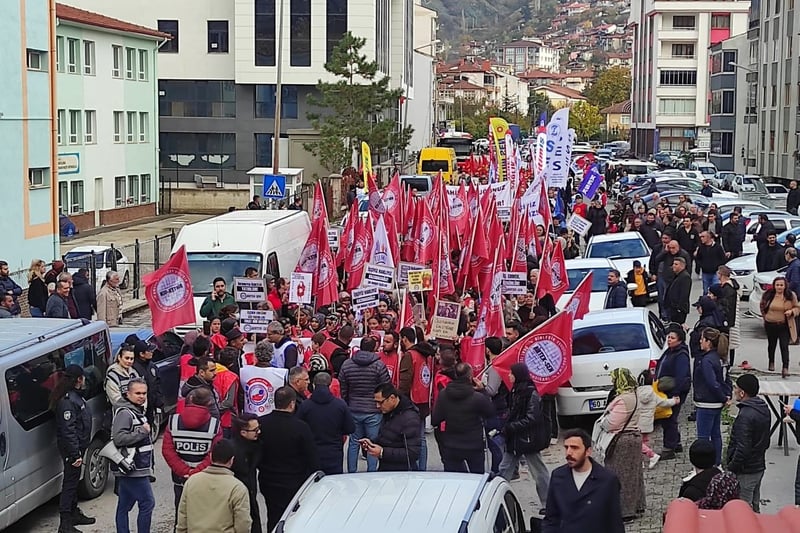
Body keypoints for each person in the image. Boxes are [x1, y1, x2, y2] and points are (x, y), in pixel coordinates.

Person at [258, 386, 319, 532]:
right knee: (294, 518)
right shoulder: (301, 427)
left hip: (268, 480)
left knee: (272, 515)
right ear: (292, 404)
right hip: (294, 481)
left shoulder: (261, 424)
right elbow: (312, 457)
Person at [542, 428, 624, 533]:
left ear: (588, 451)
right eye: (566, 447)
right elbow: (551, 518)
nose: (569, 453)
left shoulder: (607, 480)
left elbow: (614, 521)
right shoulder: (558, 476)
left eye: (575, 448)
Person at [162, 387, 222, 523]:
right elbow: (215, 453)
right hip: (205, 477)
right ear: (209, 404)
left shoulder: (173, 421)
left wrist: (185, 471)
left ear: (190, 400)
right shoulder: (214, 425)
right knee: (205, 514)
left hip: (180, 478)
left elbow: (167, 450)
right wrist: (197, 472)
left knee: (181, 511)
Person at [593, 368, 645, 521]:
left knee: (620, 476)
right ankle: (638, 505)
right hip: (633, 438)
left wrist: (603, 420)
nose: (612, 382)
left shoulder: (624, 399)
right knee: (634, 474)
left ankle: (624, 512)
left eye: (614, 379)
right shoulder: (635, 394)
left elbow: (611, 423)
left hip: (623, 441)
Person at [499, 364, 551, 509]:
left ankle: (548, 504)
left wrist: (511, 427)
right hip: (515, 439)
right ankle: (496, 500)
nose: (509, 376)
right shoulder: (515, 391)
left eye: (511, 373)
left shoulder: (531, 393)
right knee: (504, 469)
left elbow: (532, 418)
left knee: (539, 472)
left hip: (528, 439)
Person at [51, 365, 95, 533]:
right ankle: (65, 522)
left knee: (74, 480)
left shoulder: (75, 397)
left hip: (77, 447)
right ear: (79, 379)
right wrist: (75, 453)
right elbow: (68, 430)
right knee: (69, 483)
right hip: (72, 450)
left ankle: (74, 512)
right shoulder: (68, 402)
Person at [337, 336, 390, 472]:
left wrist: (347, 403)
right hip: (374, 409)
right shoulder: (379, 365)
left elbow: (343, 386)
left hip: (354, 408)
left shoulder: (347, 364)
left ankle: (351, 472)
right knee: (372, 442)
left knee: (354, 442)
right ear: (374, 348)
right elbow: (386, 387)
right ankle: (371, 472)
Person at [177, 439, 252, 533]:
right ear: (232, 460)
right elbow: (243, 524)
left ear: (211, 456)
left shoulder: (192, 481)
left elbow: (182, 518)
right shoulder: (237, 488)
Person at [431, 362, 494, 473]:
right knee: (476, 480)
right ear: (470, 377)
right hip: (473, 445)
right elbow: (490, 412)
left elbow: (435, 420)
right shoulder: (477, 397)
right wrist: (483, 391)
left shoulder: (443, 394)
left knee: (455, 481)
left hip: (451, 445)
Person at [111, 379, 155, 533]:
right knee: (147, 502)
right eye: (137, 393)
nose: (141, 396)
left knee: (124, 505)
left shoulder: (135, 410)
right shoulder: (125, 413)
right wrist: (142, 431)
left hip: (133, 467)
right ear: (127, 394)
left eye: (144, 393)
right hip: (133, 468)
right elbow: (119, 438)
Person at [726, 374, 770, 512]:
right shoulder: (763, 408)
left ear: (742, 392)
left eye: (736, 388)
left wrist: (732, 467)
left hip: (746, 470)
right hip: (758, 466)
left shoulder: (745, 416)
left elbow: (743, 448)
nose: (734, 391)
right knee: (755, 507)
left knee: (743, 511)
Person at [297, 372, 355, 474]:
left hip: (311, 452)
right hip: (334, 451)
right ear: (330, 384)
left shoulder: (305, 405)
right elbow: (350, 428)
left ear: (314, 385)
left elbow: (298, 428)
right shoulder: (340, 405)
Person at [693, 328, 731, 466]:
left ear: (708, 342)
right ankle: (717, 463)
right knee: (716, 435)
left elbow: (712, 382)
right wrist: (726, 395)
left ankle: (704, 466)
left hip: (706, 403)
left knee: (703, 437)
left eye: (702, 339)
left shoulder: (707, 360)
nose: (700, 341)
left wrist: (722, 397)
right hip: (716, 403)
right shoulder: (721, 358)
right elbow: (726, 379)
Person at [362, 383, 421, 471]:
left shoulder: (409, 418)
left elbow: (412, 453)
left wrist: (382, 452)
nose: (377, 406)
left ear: (392, 398)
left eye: (380, 402)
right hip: (386, 469)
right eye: (376, 402)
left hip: (402, 475)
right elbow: (388, 437)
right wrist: (371, 444)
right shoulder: (389, 412)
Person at [398, 327, 432, 471]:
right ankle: (422, 468)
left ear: (404, 338)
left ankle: (415, 469)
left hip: (412, 401)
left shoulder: (410, 355)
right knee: (422, 438)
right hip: (423, 399)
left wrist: (399, 398)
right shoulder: (426, 354)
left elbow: (405, 381)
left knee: (411, 439)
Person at [655, 328, 692, 460]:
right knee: (669, 418)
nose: (669, 340)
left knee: (669, 418)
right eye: (668, 337)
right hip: (666, 389)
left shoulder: (681, 354)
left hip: (675, 391)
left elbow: (682, 376)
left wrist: (676, 393)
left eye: (672, 338)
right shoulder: (669, 351)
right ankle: (676, 442)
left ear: (680, 340)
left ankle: (668, 448)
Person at [636, 371, 679, 469]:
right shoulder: (653, 394)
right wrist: (674, 401)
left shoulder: (636, 393)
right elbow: (664, 403)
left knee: (638, 443)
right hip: (648, 424)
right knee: (644, 441)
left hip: (638, 423)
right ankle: (640, 461)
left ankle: (652, 455)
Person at [759, 276, 800, 377]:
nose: (779, 287)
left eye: (781, 285)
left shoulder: (791, 295)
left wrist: (791, 312)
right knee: (771, 345)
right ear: (774, 286)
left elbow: (797, 308)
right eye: (777, 285)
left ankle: (785, 367)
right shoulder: (768, 295)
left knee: (784, 346)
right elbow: (762, 306)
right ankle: (771, 362)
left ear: (785, 286)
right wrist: (765, 317)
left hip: (784, 325)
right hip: (770, 325)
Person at [231, 414, 263, 533]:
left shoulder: (257, 445)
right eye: (255, 430)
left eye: (258, 428)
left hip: (251, 493)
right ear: (243, 433)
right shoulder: (233, 449)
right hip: (238, 496)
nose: (258, 432)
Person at [129, 338, 164, 430]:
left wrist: (158, 401)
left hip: (151, 405)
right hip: (139, 407)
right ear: (141, 354)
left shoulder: (152, 366)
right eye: (149, 351)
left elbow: (158, 383)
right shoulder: (133, 368)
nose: (152, 352)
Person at [664, 257, 692, 324]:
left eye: (676, 264)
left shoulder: (685, 277)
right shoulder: (676, 275)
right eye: (673, 264)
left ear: (682, 266)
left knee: (677, 327)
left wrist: (679, 308)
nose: (673, 266)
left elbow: (684, 294)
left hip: (678, 310)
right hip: (672, 308)